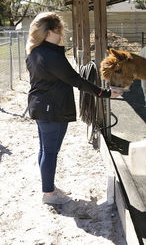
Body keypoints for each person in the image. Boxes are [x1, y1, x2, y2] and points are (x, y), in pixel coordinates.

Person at [26, 12, 122, 205]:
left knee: (46, 150)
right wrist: (105, 93)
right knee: (50, 152)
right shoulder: (50, 55)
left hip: (44, 107)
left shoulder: (35, 52)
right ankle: (49, 194)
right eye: (59, 29)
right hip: (51, 109)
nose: (61, 33)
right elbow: (76, 80)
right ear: (50, 31)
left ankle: (48, 187)